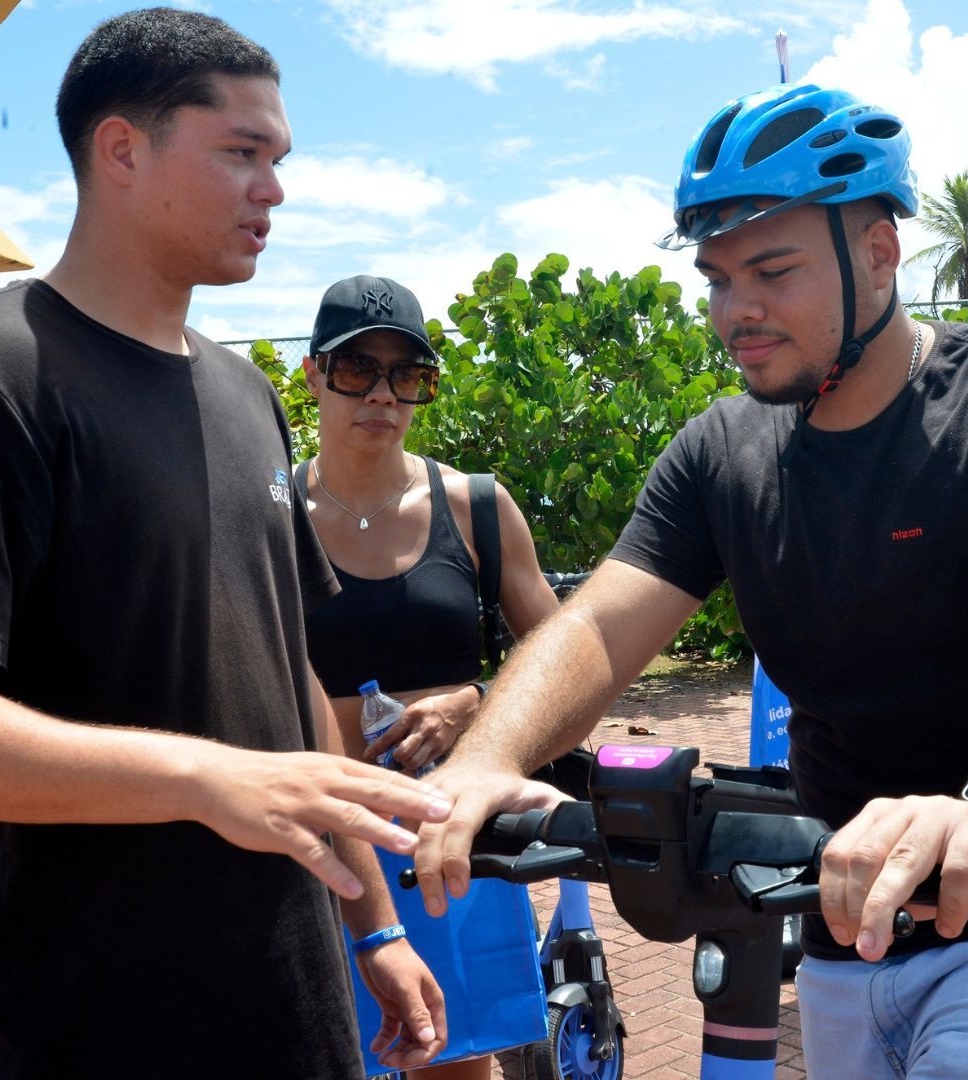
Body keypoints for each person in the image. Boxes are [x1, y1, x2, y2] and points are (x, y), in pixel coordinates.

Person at [410, 83, 968, 1079]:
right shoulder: (721, 452)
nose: (737, 310)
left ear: (878, 255)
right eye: (718, 278)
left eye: (772, 270)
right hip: (841, 920)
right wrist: (487, 758)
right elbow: (599, 627)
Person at [0, 11, 451, 1077]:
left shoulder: (246, 392)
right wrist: (201, 778)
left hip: (287, 1017)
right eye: (241, 153)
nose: (275, 190)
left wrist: (371, 923)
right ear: (122, 149)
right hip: (67, 1030)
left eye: (278, 159)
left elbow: (283, 669)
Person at [296, 273, 561, 1078]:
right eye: (356, 369)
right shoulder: (263, 514)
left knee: (450, 1058)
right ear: (314, 374)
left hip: (443, 835)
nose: (382, 393)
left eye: (407, 374)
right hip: (307, 832)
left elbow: (565, 659)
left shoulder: (477, 505)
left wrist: (475, 704)